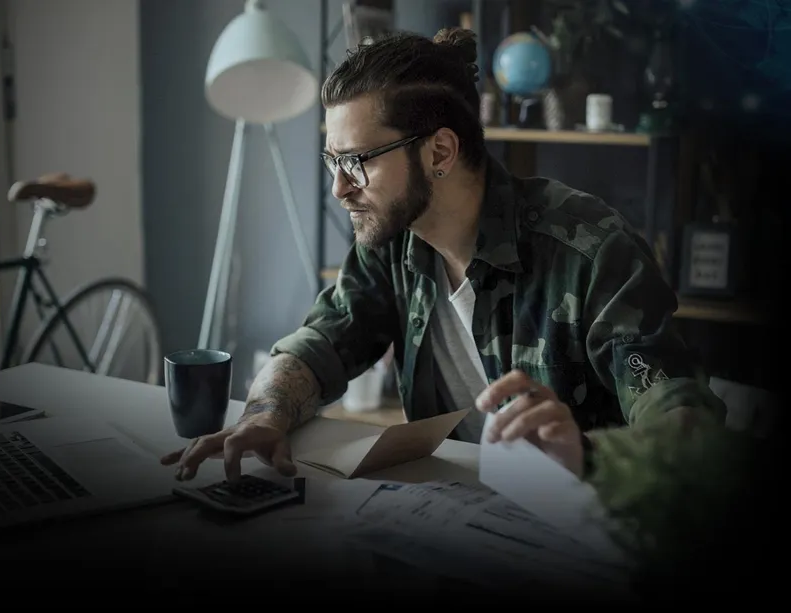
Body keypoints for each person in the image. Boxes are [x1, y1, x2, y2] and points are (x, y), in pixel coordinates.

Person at [162, 27, 725, 483]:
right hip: (454, 519)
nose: (339, 188)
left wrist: (587, 455)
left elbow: (685, 422)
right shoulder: (393, 239)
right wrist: (264, 416)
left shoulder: (592, 250)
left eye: (356, 162)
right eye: (331, 160)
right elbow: (323, 343)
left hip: (587, 534)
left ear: (441, 151)